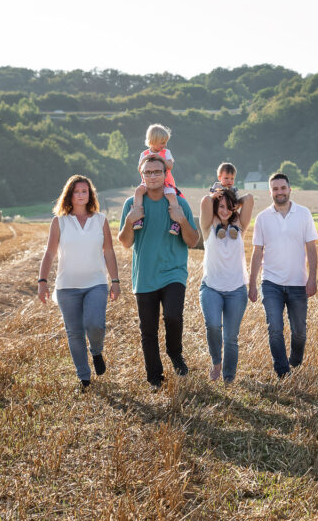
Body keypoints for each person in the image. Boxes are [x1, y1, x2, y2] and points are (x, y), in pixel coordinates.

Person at [118, 154, 199, 391]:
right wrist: (130, 221)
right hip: (144, 274)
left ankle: (175, 353)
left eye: (157, 172)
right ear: (141, 176)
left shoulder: (179, 203)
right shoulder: (131, 205)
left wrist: (181, 219)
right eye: (148, 173)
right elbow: (124, 242)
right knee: (148, 329)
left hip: (174, 272)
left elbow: (193, 241)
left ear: (165, 175)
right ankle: (154, 376)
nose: (152, 176)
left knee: (173, 316)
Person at [37, 175, 120, 392]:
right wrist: (42, 281)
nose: (81, 195)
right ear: (70, 195)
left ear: (90, 195)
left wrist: (115, 280)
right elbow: (50, 252)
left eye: (85, 191)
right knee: (74, 333)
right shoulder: (59, 222)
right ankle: (84, 378)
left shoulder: (100, 220)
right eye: (77, 191)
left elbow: (109, 251)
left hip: (96, 283)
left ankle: (96, 350)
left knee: (95, 325)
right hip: (67, 287)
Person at [248, 173, 318, 378]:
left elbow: (312, 249)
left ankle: (295, 361)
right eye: (275, 189)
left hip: (298, 283)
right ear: (270, 192)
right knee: (275, 329)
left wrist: (312, 278)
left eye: (283, 188)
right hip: (271, 283)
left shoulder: (304, 214)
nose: (279, 192)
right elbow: (257, 252)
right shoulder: (262, 218)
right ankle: (282, 371)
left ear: (289, 189)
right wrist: (252, 283)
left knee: (299, 332)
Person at [199, 188, 249, 383]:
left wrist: (234, 201)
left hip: (236, 290)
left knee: (230, 338)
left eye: (229, 207)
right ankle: (216, 362)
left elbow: (251, 199)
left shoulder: (240, 226)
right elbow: (204, 200)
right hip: (211, 287)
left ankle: (228, 377)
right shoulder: (208, 226)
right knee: (212, 325)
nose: (225, 210)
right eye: (221, 206)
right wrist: (215, 197)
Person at [132, 124, 183, 235]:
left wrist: (161, 158)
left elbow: (170, 166)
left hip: (166, 183)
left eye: (165, 142)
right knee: (138, 191)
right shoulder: (144, 154)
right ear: (153, 141)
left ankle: (175, 223)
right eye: (162, 142)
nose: (164, 145)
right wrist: (144, 160)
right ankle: (138, 217)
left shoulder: (166, 153)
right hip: (148, 182)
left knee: (172, 196)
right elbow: (140, 169)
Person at [209, 162, 255, 238]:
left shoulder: (233, 189)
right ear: (219, 177)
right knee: (215, 218)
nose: (229, 181)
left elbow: (237, 199)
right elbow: (209, 196)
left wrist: (237, 204)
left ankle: (234, 229)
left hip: (231, 210)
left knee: (236, 217)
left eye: (232, 178)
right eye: (226, 178)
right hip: (217, 210)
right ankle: (219, 229)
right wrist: (214, 195)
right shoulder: (217, 186)